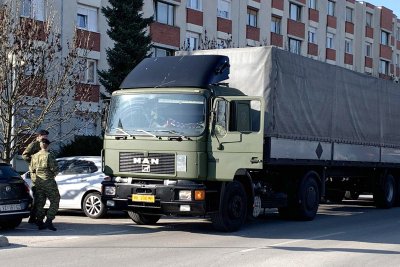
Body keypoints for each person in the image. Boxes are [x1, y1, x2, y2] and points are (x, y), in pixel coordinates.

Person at [29, 138, 60, 231]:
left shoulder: (34, 156)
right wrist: (52, 175)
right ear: (47, 145)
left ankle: (40, 222)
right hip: (48, 181)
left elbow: (31, 170)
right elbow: (55, 169)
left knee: (40, 203)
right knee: (55, 200)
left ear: (40, 145)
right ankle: (49, 221)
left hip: (38, 182)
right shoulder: (49, 155)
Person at [22, 129, 49, 224]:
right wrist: (34, 163)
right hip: (36, 175)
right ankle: (34, 218)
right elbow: (24, 155)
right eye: (43, 135)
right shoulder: (34, 145)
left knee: (42, 197)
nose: (45, 137)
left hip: (44, 175)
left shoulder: (45, 145)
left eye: (46, 135)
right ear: (38, 137)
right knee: (38, 197)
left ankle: (34, 218)